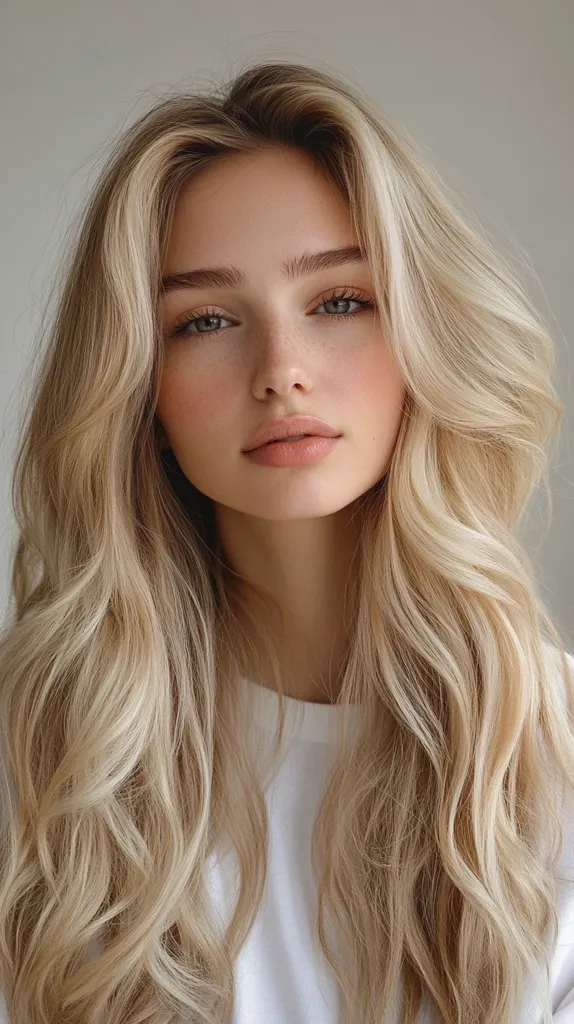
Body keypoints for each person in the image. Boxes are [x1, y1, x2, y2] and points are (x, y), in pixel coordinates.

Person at [0, 59, 573, 1024]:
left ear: (426, 337)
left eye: (340, 301)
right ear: (138, 389)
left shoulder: (554, 750)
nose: (283, 371)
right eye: (208, 320)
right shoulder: (47, 763)